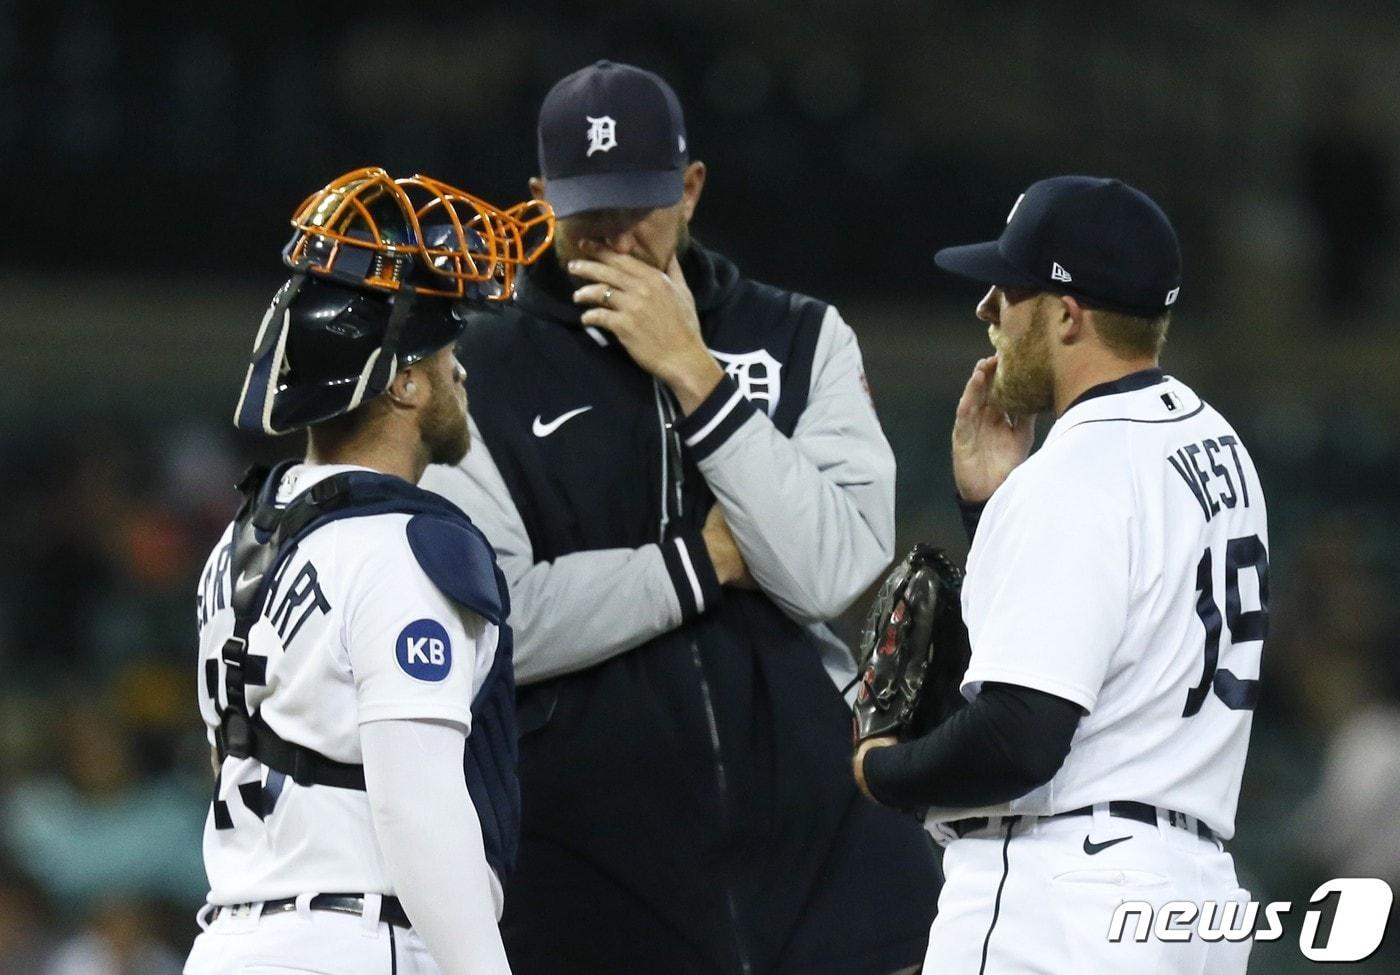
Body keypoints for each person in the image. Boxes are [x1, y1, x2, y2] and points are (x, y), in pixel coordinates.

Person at [422, 60, 939, 975]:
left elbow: (833, 573)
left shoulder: (800, 335)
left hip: (826, 860)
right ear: (539, 202)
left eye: (640, 207)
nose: (618, 239)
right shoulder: (477, 372)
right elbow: (496, 624)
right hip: (589, 871)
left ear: (690, 189)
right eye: (588, 214)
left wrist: (696, 373)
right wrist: (701, 562)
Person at [853, 176, 1268, 973]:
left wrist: (879, 768)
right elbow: (1114, 625)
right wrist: (996, 509)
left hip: (1067, 898)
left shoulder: (1077, 472)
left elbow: (1017, 740)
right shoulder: (1216, 445)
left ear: (1068, 316)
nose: (987, 309)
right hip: (1191, 899)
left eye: (1010, 290)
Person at [183, 167, 553, 975]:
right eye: (446, 352)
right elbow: (419, 812)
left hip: (229, 942)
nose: (460, 373)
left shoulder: (241, 539)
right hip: (353, 939)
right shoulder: (405, 548)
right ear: (405, 381)